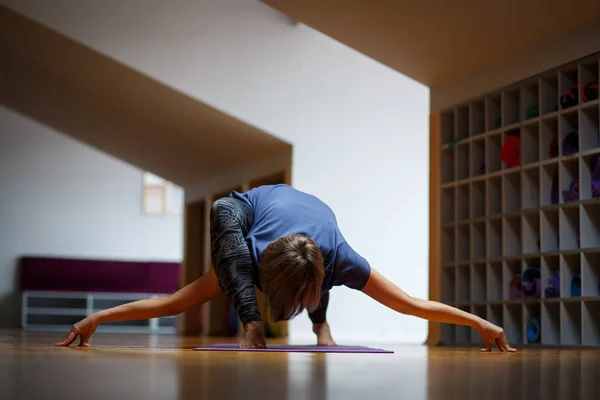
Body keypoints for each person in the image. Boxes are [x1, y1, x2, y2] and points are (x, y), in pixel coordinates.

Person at [57, 184, 516, 352]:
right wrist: (97, 317)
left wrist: (479, 322)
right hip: (245, 208)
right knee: (230, 249)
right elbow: (175, 302)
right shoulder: (248, 259)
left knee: (321, 277)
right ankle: (251, 323)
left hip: (318, 231)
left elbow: (410, 304)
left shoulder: (342, 260)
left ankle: (322, 327)